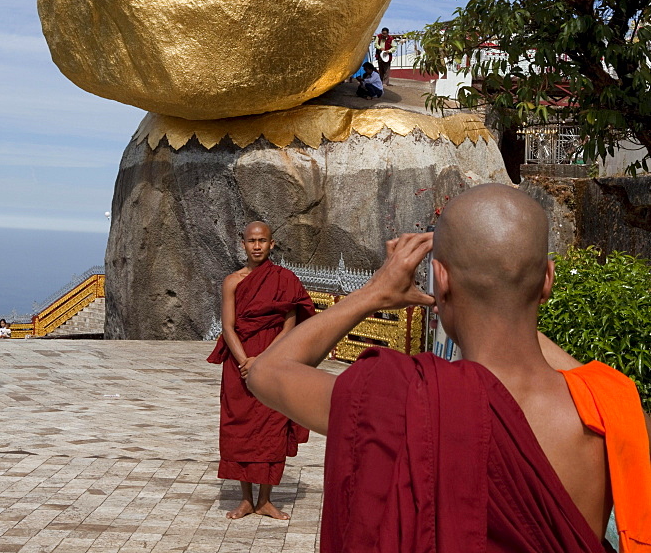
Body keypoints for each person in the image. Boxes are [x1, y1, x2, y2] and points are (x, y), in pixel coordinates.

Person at [247, 185, 651, 552]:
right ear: (547, 280)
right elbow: (592, 381)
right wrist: (514, 296)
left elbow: (267, 370)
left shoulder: (405, 401)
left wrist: (375, 291)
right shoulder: (616, 409)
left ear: (440, 280)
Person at [207, 221, 315, 521]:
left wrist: (261, 360)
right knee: (239, 428)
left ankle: (265, 500)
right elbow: (228, 327)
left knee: (272, 426)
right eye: (251, 240)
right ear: (243, 244)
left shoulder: (285, 280)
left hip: (273, 361)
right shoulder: (232, 282)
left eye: (262, 241)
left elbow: (290, 326)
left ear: (272, 244)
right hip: (238, 363)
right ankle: (245, 499)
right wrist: (245, 362)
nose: (257, 246)